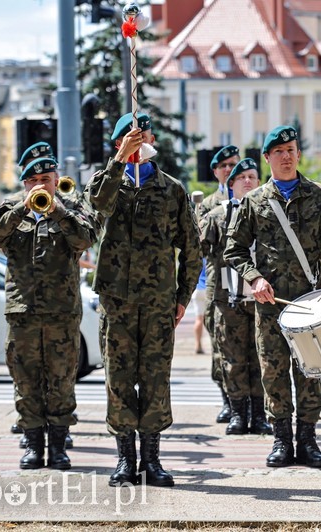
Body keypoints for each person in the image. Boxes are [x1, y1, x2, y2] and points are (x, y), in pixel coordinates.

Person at [224, 125, 321, 469]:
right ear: (267, 157)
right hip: (271, 303)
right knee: (273, 370)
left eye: (292, 150)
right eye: (279, 152)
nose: (287, 156)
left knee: (311, 368)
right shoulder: (254, 201)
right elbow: (234, 250)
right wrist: (254, 279)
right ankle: (281, 440)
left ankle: (308, 440)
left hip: (312, 299)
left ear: (298, 153)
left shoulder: (318, 194)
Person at [85, 112, 202, 487]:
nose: (143, 141)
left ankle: (152, 459)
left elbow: (192, 249)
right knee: (119, 379)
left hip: (157, 301)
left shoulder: (172, 190)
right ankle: (124, 460)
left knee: (155, 379)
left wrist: (183, 296)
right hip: (117, 301)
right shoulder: (106, 183)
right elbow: (97, 208)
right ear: (120, 144)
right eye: (134, 137)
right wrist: (120, 162)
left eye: (146, 135)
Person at [0, 155, 96, 470]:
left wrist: (57, 209)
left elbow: (86, 237)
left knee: (61, 381)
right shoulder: (11, 209)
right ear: (24, 184)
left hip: (62, 313)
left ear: (55, 179)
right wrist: (25, 206)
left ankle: (58, 448)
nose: (39, 186)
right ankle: (34, 446)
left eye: (45, 180)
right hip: (22, 313)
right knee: (26, 381)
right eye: (32, 181)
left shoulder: (72, 208)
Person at [200, 158, 271, 436]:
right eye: (242, 178)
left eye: (253, 177)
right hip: (227, 298)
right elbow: (198, 249)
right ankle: (238, 413)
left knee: (260, 357)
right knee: (233, 358)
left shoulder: (268, 213)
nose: (248, 182)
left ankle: (259, 414)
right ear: (231, 185)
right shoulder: (217, 216)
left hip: (262, 297)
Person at [198, 145, 241, 424]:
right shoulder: (208, 204)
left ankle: (250, 405)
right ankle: (227, 399)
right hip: (218, 284)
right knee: (220, 345)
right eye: (224, 165)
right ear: (215, 171)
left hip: (247, 283)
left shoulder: (253, 199)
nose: (229, 169)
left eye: (233, 164)